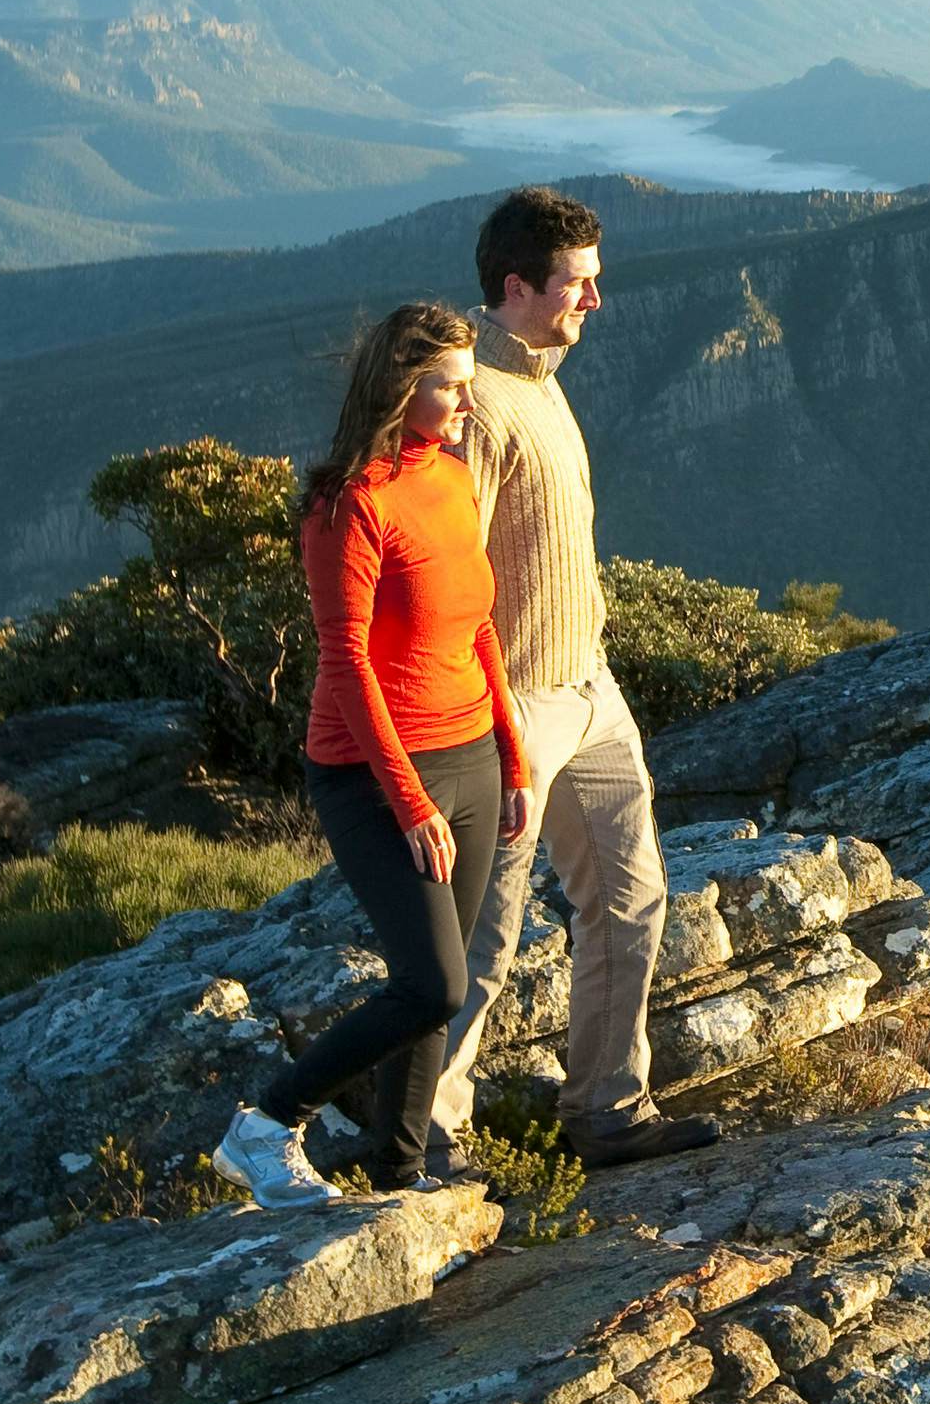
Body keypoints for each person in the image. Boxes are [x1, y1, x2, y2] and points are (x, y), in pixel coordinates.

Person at [213, 302, 532, 1208]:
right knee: (434, 985)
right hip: (372, 770)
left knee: (438, 982)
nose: (470, 401)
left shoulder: (452, 477)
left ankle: (398, 1176)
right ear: (403, 387)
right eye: (452, 385)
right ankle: (266, 1123)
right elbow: (346, 660)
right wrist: (409, 801)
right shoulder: (345, 504)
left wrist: (508, 755)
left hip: (467, 750)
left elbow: (476, 627)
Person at [422, 185, 699, 1166]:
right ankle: (428, 1131)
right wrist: (488, 722)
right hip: (515, 704)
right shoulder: (477, 406)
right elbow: (450, 584)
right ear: (516, 285)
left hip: (590, 686)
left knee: (632, 898)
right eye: (577, 283)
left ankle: (606, 1108)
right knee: (484, 934)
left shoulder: (540, 377)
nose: (594, 301)